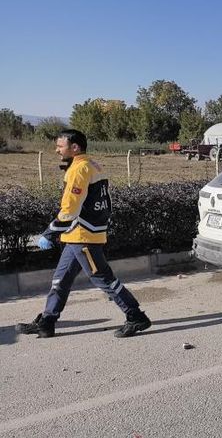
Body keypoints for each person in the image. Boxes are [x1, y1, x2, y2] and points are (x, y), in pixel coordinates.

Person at [15, 129, 151, 339]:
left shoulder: (79, 169)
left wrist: (49, 233)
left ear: (75, 147)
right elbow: (105, 203)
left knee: (103, 279)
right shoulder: (93, 165)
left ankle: (136, 316)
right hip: (77, 236)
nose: (57, 150)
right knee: (60, 281)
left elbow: (70, 209)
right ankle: (47, 322)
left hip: (83, 236)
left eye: (60, 146)